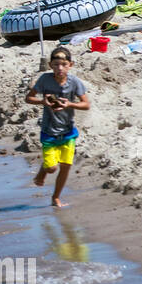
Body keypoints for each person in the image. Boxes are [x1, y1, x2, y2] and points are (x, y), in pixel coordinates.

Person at [25, 46, 90, 208]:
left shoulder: (74, 82)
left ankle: (55, 197)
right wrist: (43, 101)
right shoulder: (45, 80)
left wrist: (70, 104)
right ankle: (43, 170)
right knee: (52, 168)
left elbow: (86, 104)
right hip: (49, 132)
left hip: (68, 132)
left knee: (66, 167)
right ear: (50, 65)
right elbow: (29, 98)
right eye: (55, 65)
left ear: (70, 65)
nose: (59, 68)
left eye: (63, 64)